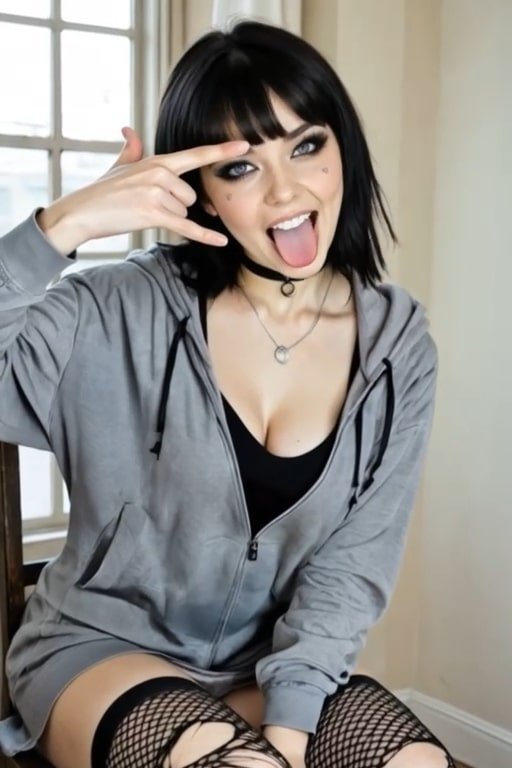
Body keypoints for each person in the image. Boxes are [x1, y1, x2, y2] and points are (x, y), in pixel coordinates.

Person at [0, 19, 455, 768]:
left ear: (342, 148)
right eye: (241, 168)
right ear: (203, 197)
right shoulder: (115, 311)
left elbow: (351, 567)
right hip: (102, 657)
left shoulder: (397, 346)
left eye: (306, 146)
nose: (286, 191)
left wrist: (288, 735)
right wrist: (65, 223)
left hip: (264, 667)